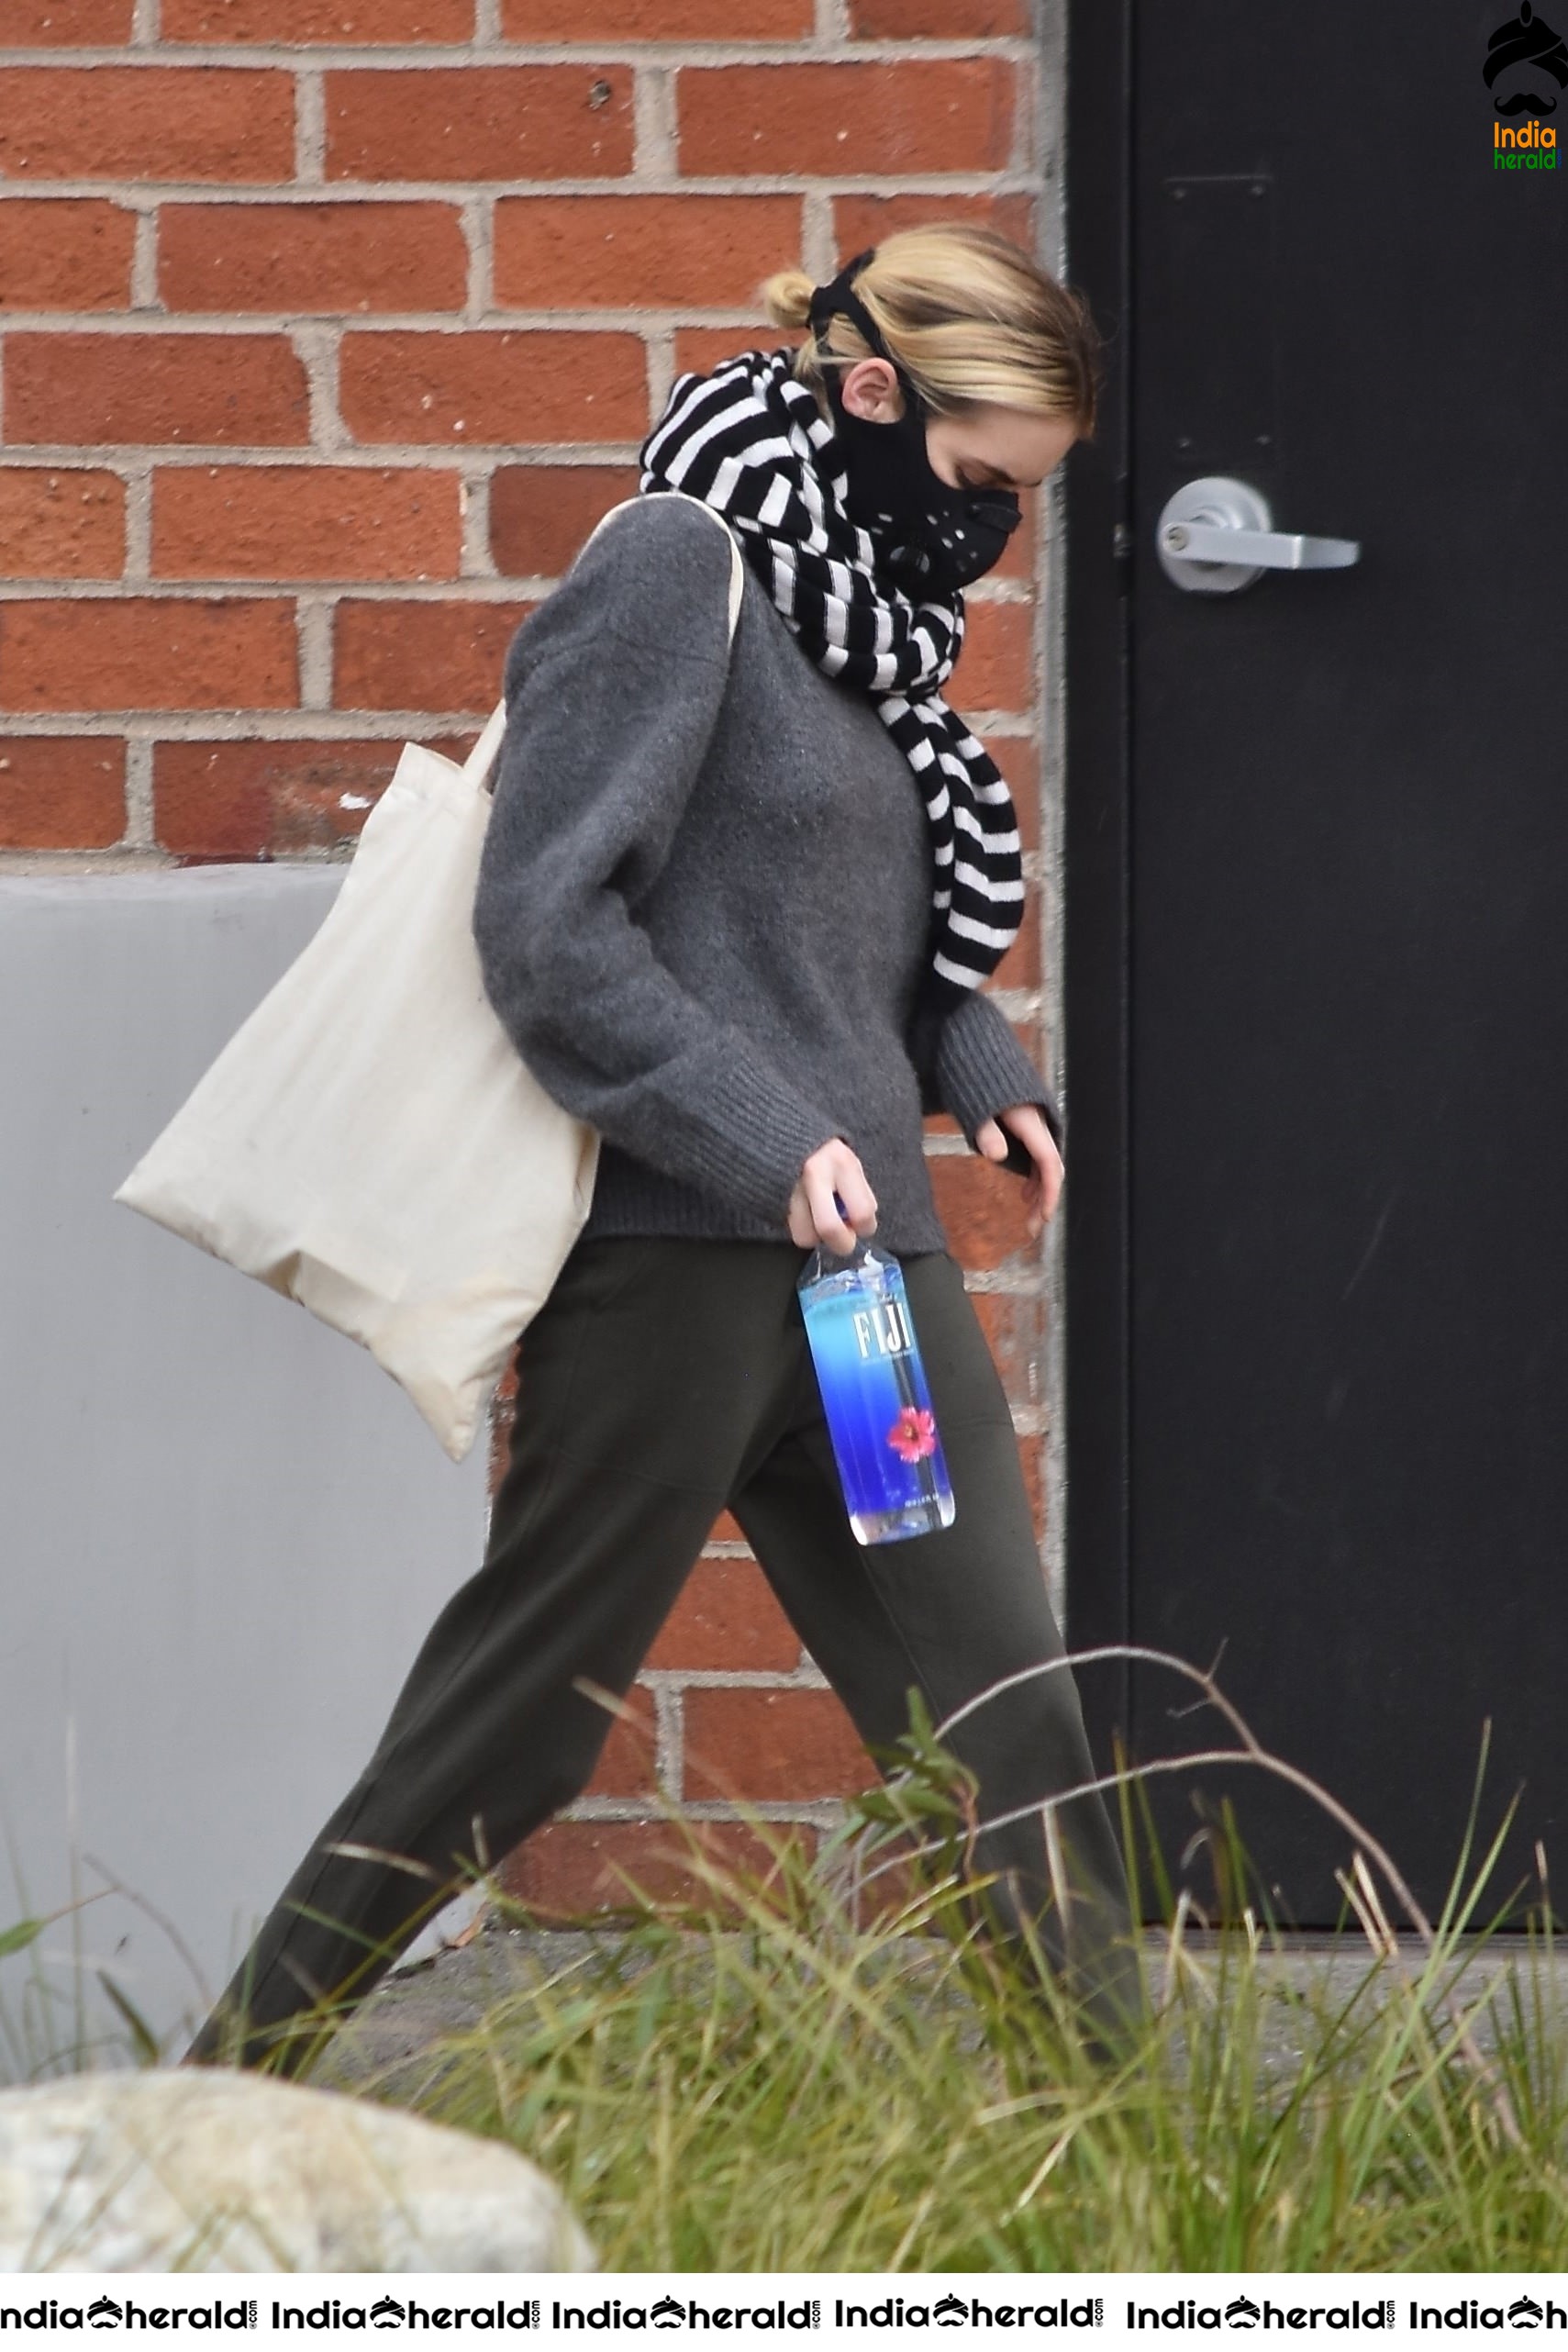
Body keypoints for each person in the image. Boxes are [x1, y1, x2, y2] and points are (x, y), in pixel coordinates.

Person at [187, 226, 1141, 2073]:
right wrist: (767, 1132)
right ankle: (223, 2086)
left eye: (1020, 496)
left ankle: (1140, 2149)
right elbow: (551, 924)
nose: (989, 534)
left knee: (992, 1695)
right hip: (682, 1274)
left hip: (858, 1289)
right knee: (520, 1722)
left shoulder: (865, 609)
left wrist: (968, 1048)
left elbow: (830, 931)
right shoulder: (674, 568)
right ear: (872, 394)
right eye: (981, 479)